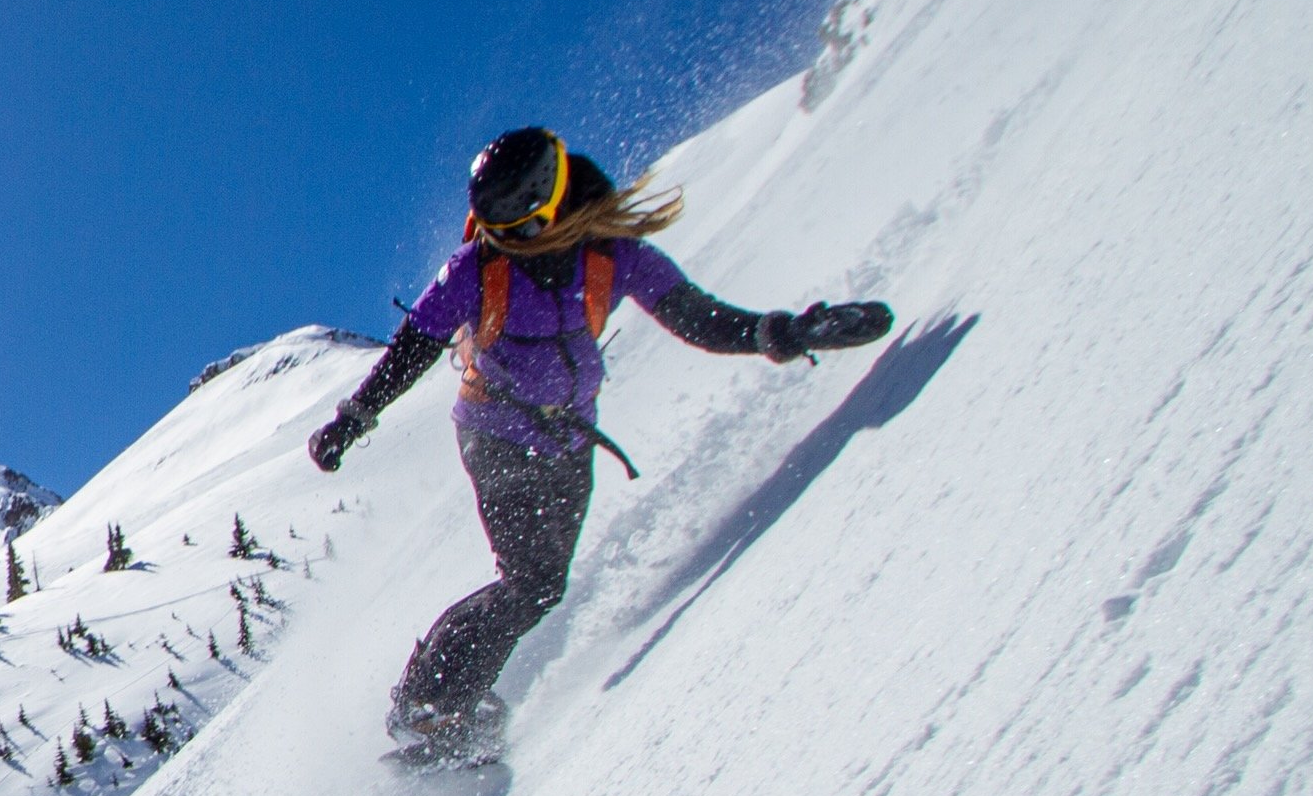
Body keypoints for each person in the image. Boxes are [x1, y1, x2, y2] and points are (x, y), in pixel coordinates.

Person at [307, 127, 890, 760]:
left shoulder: (614, 257)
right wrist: (354, 415)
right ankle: (431, 706)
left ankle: (444, 701)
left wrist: (785, 332)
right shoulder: (477, 269)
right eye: (492, 218)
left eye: (515, 217)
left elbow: (697, 317)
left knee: (541, 585)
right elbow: (414, 346)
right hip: (495, 433)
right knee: (528, 580)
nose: (503, 231)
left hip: (567, 441)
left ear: (550, 195)